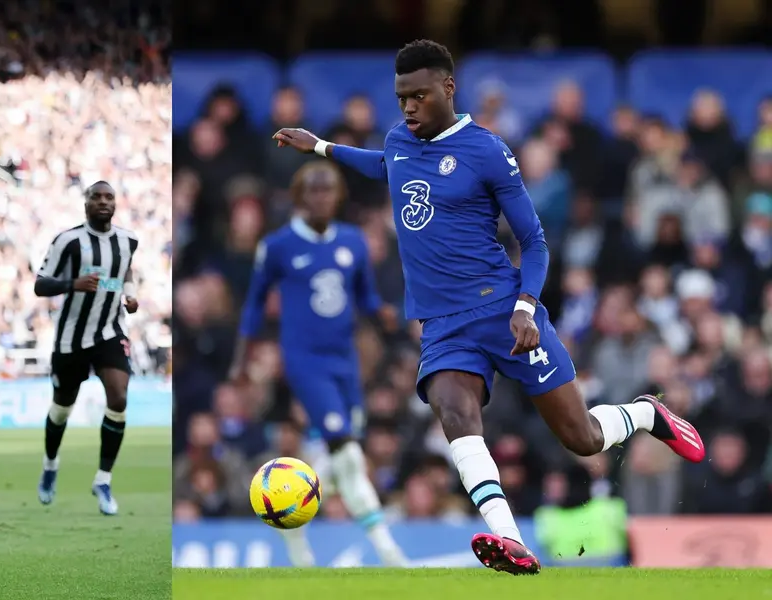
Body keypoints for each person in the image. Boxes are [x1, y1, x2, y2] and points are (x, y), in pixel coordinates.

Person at [273, 39, 706, 575]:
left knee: (583, 439)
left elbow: (536, 242)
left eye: (419, 96)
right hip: (443, 326)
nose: (408, 107)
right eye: (401, 97)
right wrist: (321, 148)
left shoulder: (487, 150)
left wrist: (526, 307)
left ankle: (646, 412)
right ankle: (510, 540)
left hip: (503, 311)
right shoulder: (399, 141)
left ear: (448, 88)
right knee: (454, 414)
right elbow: (383, 165)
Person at [229, 161, 408, 567]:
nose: (322, 198)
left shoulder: (353, 242)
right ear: (299, 197)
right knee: (345, 449)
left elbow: (365, 298)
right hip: (304, 361)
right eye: (313, 191)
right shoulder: (277, 246)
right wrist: (242, 361)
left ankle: (291, 531)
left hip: (346, 362)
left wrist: (384, 316)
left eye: (328, 190)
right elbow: (255, 305)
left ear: (338, 197)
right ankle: (388, 550)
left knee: (343, 459)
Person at [34, 181, 140, 516]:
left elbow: (125, 273)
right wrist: (72, 284)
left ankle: (103, 479)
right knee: (62, 408)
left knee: (119, 397)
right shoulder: (67, 241)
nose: (104, 202)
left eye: (109, 197)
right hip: (71, 338)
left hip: (110, 331)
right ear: (86, 204)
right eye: (97, 197)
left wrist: (130, 294)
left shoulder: (127, 240)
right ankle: (51, 465)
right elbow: (40, 284)